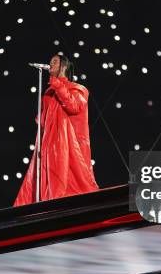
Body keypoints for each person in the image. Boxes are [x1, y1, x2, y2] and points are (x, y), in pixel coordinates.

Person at [13, 54, 99, 206]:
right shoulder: (49, 92)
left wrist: (58, 85)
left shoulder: (78, 89)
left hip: (70, 146)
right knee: (48, 177)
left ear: (64, 67)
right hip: (49, 145)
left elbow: (73, 107)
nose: (50, 64)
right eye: (50, 61)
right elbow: (43, 121)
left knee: (68, 180)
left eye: (55, 62)